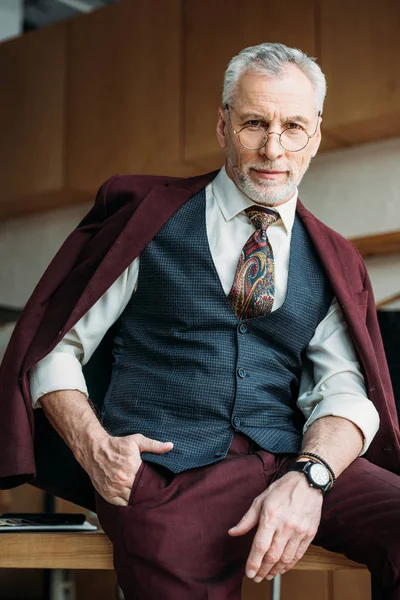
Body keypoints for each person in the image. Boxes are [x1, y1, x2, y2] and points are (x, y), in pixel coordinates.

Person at [1, 43, 400, 600]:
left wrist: (311, 478)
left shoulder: (334, 256)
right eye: (255, 123)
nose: (272, 148)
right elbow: (54, 348)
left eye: (293, 127)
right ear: (222, 124)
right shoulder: (146, 217)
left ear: (315, 135)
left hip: (290, 461)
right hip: (166, 477)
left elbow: (344, 393)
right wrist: (93, 445)